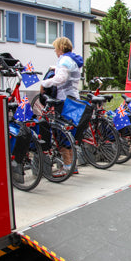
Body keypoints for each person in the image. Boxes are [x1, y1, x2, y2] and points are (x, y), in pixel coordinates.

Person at [40, 36, 84, 177]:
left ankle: (66, 167)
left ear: (60, 48)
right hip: (73, 99)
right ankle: (73, 166)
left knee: (61, 135)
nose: (54, 50)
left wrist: (45, 83)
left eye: (55, 48)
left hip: (63, 100)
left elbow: (61, 78)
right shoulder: (73, 60)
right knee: (69, 133)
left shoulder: (64, 60)